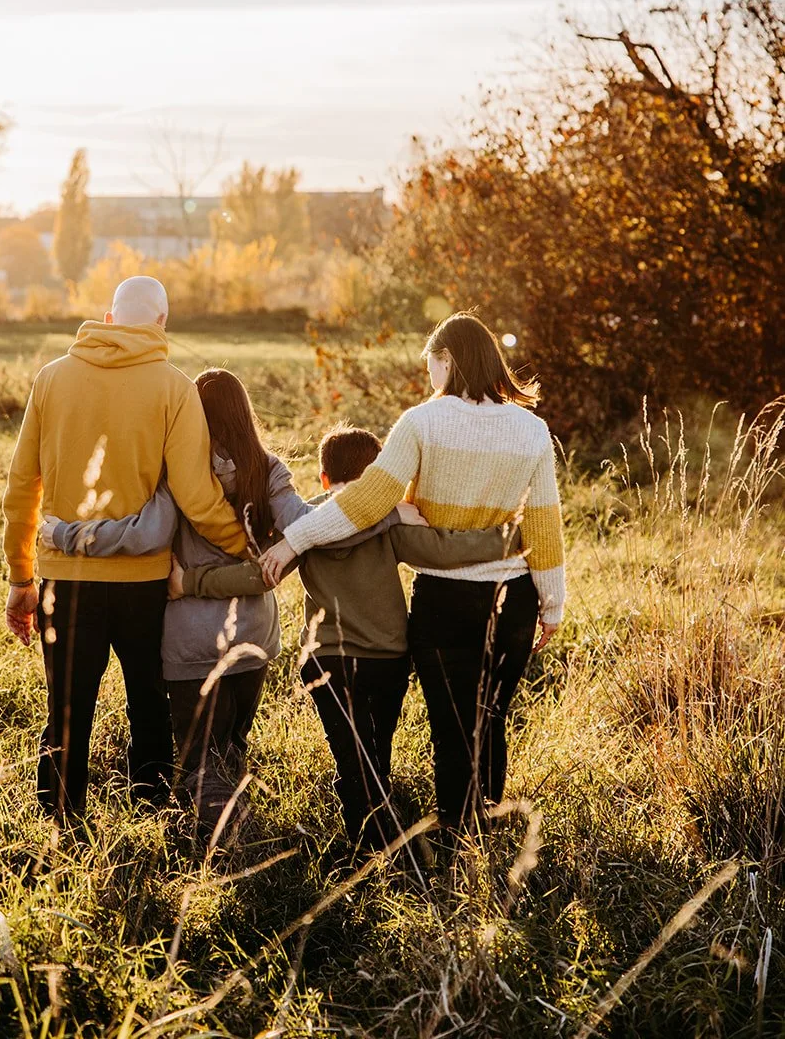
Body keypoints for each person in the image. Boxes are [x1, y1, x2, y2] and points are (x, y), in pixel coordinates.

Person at [261, 314, 564, 844]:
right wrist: (551, 602)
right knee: (490, 716)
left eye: (430, 360)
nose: (428, 371)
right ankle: (484, 828)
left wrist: (295, 539)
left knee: (451, 726)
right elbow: (543, 519)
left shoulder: (422, 422)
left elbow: (364, 500)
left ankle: (457, 835)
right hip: (513, 596)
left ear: (447, 359)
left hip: (445, 597)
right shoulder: (531, 429)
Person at [175, 423, 513, 855]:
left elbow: (258, 575)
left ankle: (371, 848)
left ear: (322, 478)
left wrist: (190, 581)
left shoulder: (304, 523)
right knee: (374, 757)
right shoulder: (384, 517)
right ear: (376, 476)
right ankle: (379, 851)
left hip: (329, 660)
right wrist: (509, 535)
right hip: (388, 657)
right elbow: (445, 550)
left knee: (357, 763)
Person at [2, 277, 247, 822]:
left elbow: (22, 486)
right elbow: (196, 496)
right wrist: (245, 546)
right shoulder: (174, 387)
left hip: (63, 582)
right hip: (143, 585)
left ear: (108, 320)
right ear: (161, 323)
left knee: (65, 713)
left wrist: (22, 577)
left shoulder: (51, 378)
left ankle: (60, 830)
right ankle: (154, 818)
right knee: (149, 708)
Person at [40, 367, 306, 838]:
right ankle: (240, 846)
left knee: (201, 764)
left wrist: (64, 533)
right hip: (255, 640)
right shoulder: (269, 470)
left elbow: (145, 534)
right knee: (232, 749)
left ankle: (219, 859)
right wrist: (364, 501)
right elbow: (303, 528)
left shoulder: (182, 472)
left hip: (190, 647)